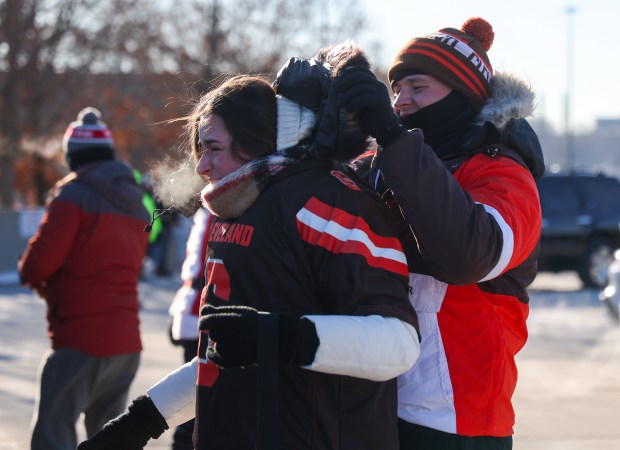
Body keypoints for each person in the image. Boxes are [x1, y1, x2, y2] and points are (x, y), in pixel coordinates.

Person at [77, 44, 421, 450]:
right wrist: (142, 420)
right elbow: (225, 354)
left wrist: (283, 338)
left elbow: (398, 344)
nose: (202, 166)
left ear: (260, 140)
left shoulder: (328, 204)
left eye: (214, 147)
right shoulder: (242, 208)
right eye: (199, 149)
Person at [335, 18, 544, 450]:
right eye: (394, 90)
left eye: (417, 87)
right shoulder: (383, 164)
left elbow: (467, 255)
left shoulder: (503, 173)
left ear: (462, 94)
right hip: (376, 400)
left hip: (457, 418)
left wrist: (394, 140)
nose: (400, 102)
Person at [18, 107, 150, 450]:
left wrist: (38, 280)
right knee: (108, 441)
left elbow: (37, 266)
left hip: (80, 338)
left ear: (73, 155)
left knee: (53, 436)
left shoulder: (73, 195)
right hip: (126, 342)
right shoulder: (136, 199)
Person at [167, 205, 212, 450]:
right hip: (195, 312)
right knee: (193, 407)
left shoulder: (215, 209)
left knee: (195, 407)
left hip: (196, 313)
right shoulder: (214, 209)